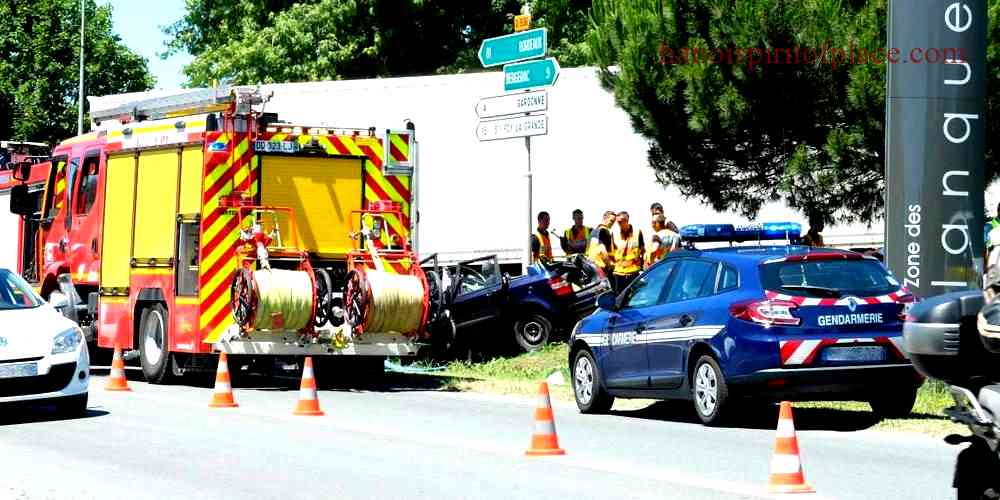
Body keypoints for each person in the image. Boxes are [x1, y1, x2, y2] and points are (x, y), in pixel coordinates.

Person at [612, 211, 644, 292]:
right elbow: (611, 252)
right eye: (617, 221)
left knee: (634, 297)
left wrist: (641, 265)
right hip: (619, 273)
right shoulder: (614, 234)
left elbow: (642, 250)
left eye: (621, 221)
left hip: (633, 272)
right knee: (620, 298)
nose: (619, 223)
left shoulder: (637, 232)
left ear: (627, 220)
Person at [587, 210, 616, 277]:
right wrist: (610, 265)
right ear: (604, 218)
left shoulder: (594, 231)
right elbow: (601, 250)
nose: (612, 223)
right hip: (602, 268)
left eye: (614, 222)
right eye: (611, 221)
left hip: (593, 267)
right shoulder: (604, 230)